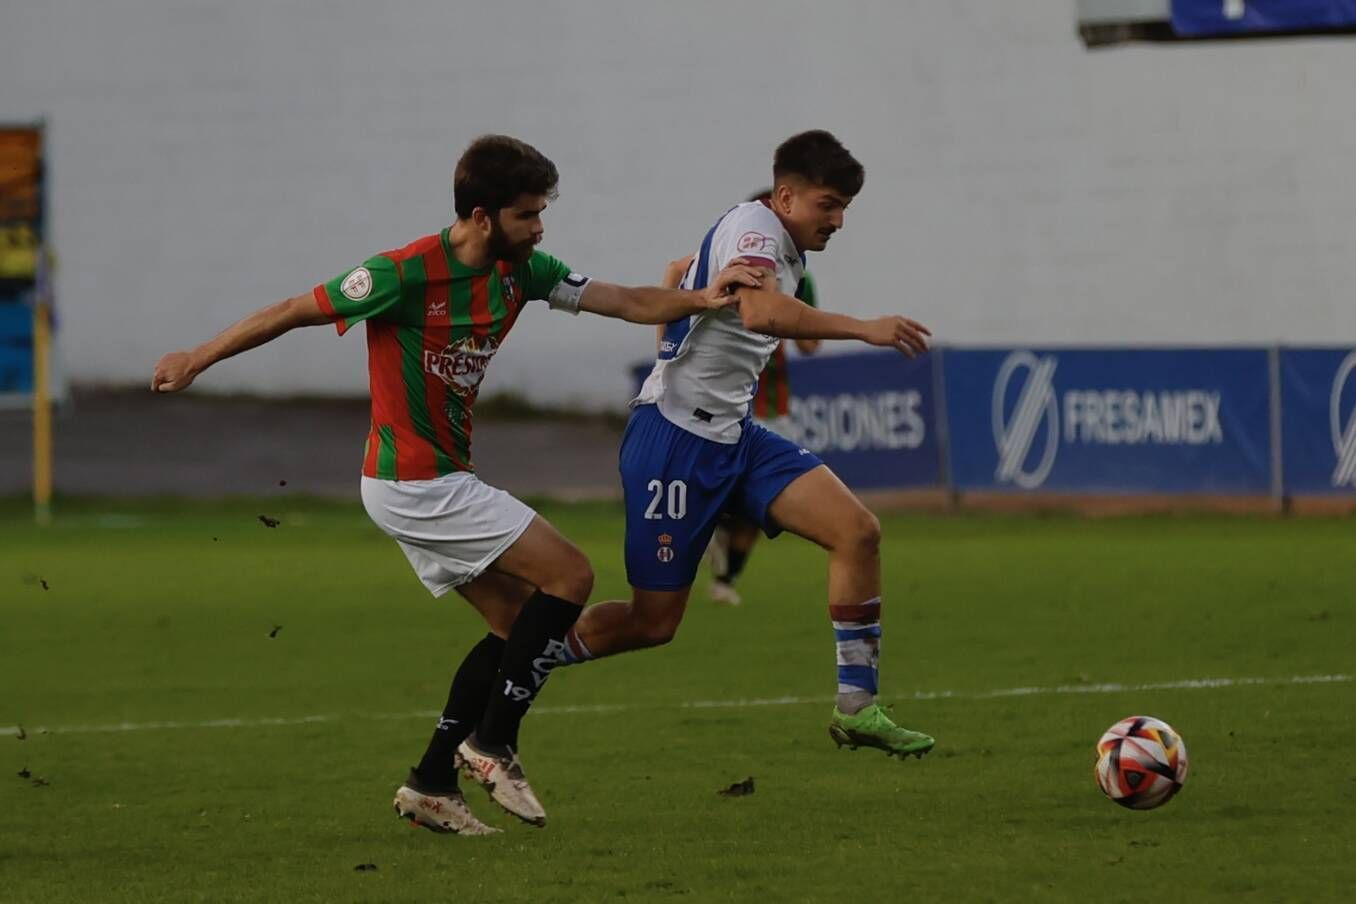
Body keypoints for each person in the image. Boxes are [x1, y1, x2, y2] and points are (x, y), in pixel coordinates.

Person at [150, 134, 763, 834]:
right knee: (569, 576)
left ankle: (433, 780)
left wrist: (704, 298)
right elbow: (296, 309)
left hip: (431, 481)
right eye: (527, 215)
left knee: (515, 629)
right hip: (416, 481)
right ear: (481, 216)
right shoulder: (404, 274)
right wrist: (197, 357)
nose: (539, 228)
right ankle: (494, 743)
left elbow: (620, 300)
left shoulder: (522, 271)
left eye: (540, 214)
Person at [557, 130, 937, 760]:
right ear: (786, 196)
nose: (839, 220)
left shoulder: (770, 237)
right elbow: (760, 315)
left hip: (734, 433)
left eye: (845, 208)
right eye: (829, 205)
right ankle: (520, 661)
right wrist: (864, 328)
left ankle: (858, 708)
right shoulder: (758, 230)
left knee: (857, 531)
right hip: (676, 439)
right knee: (652, 623)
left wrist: (675, 331)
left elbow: (684, 270)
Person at [702, 190, 822, 606]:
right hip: (726, 405)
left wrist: (794, 313)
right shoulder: (727, 264)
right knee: (727, 489)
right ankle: (715, 524)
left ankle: (726, 578)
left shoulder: (799, 276)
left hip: (774, 405)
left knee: (762, 504)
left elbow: (810, 346)